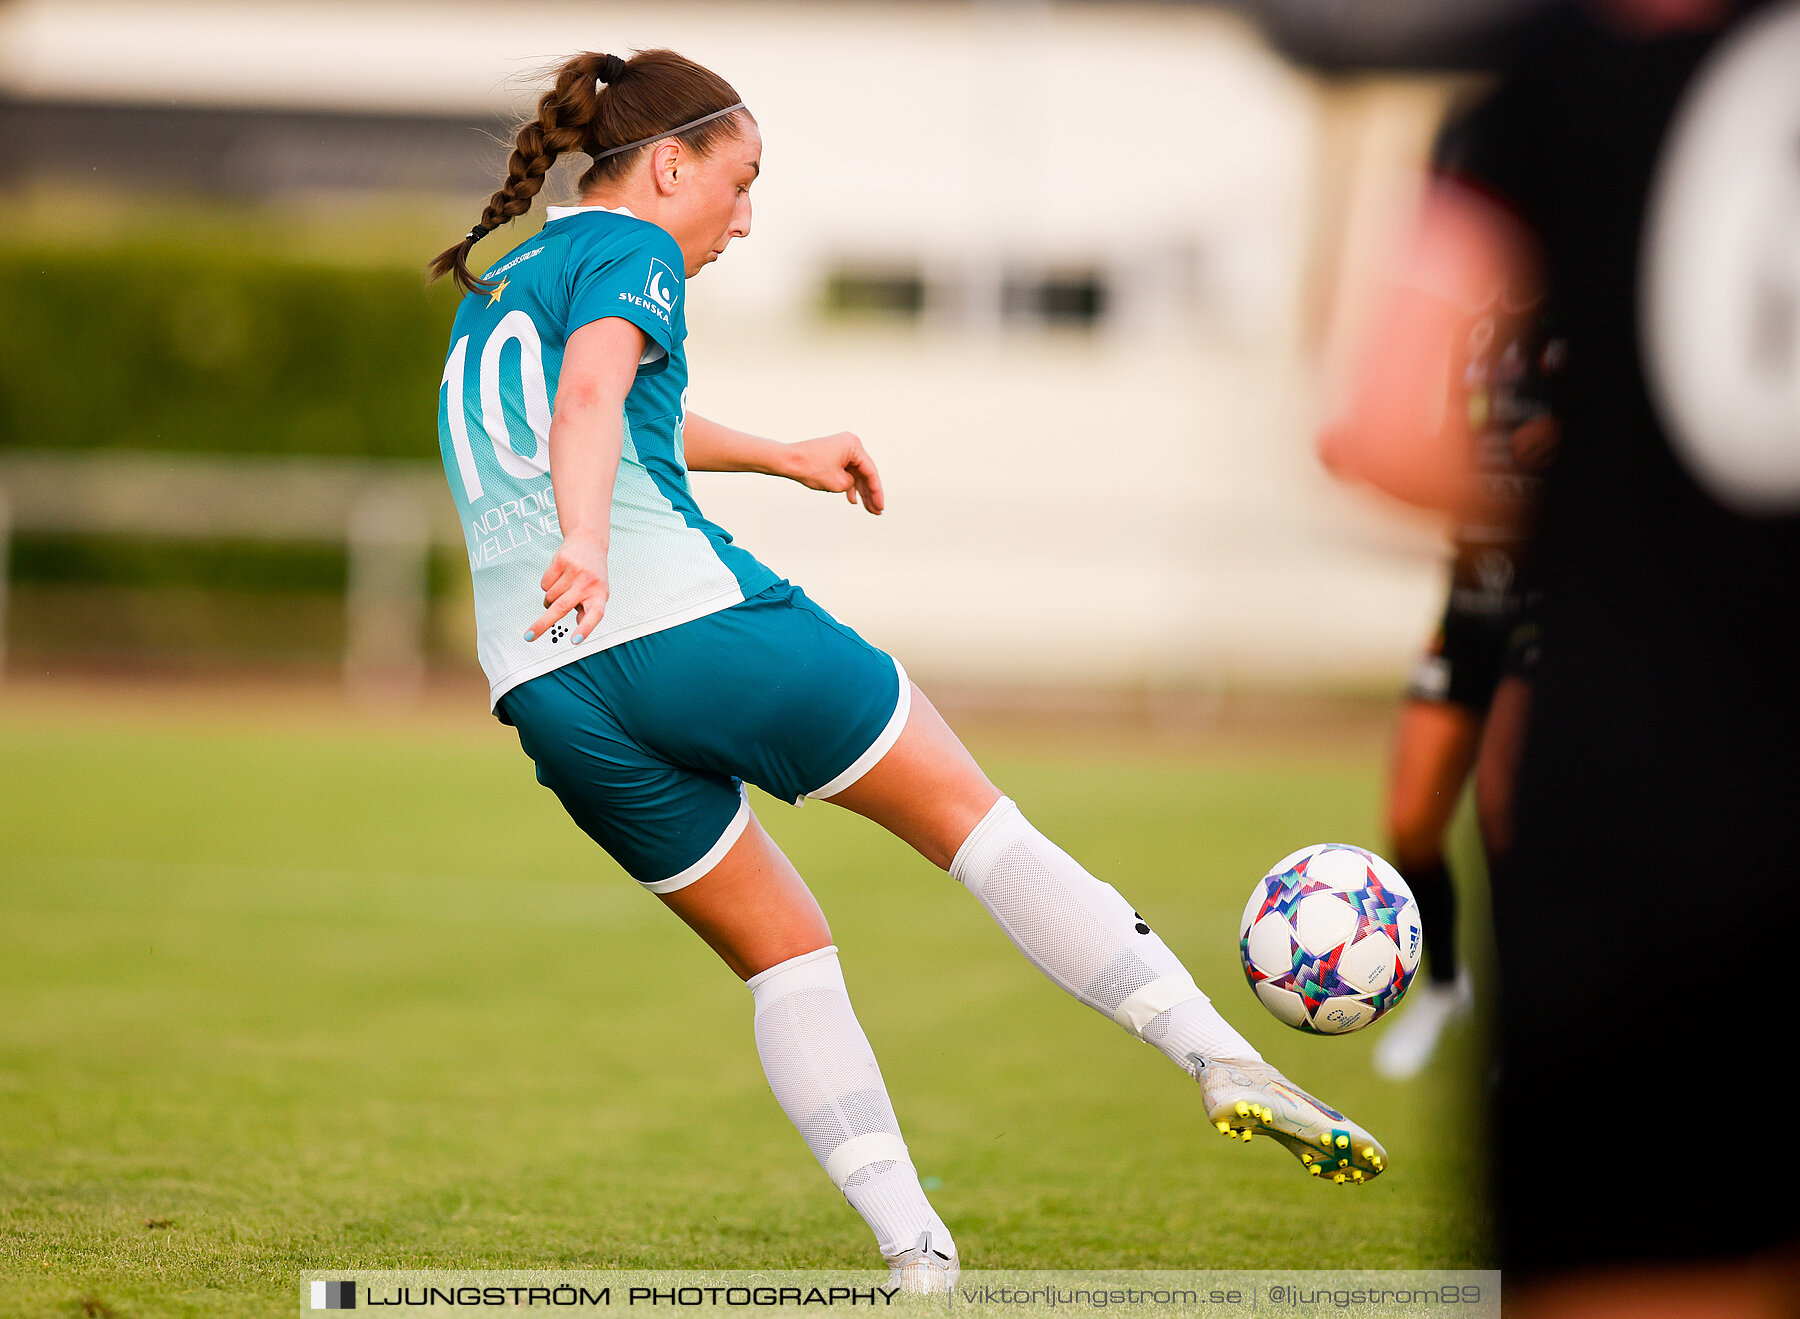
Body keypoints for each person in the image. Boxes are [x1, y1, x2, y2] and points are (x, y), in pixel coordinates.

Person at [427, 47, 1389, 1289]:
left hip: (548, 689)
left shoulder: (507, 275)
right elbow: (592, 400)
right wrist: (588, 538)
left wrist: (779, 454)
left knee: (784, 950)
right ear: (668, 165)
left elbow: (600, 403)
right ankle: (1220, 1056)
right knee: (979, 828)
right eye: (742, 180)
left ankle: (913, 1249)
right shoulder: (638, 248)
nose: (748, 215)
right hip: (684, 620)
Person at [1321, 1, 1800, 1313]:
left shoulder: (1567, 81)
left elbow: (1364, 423)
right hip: (1521, 576)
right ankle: (1447, 983)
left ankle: (1481, 984)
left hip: (1628, 675)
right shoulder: (1531, 207)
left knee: (1518, 792)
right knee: (1419, 799)